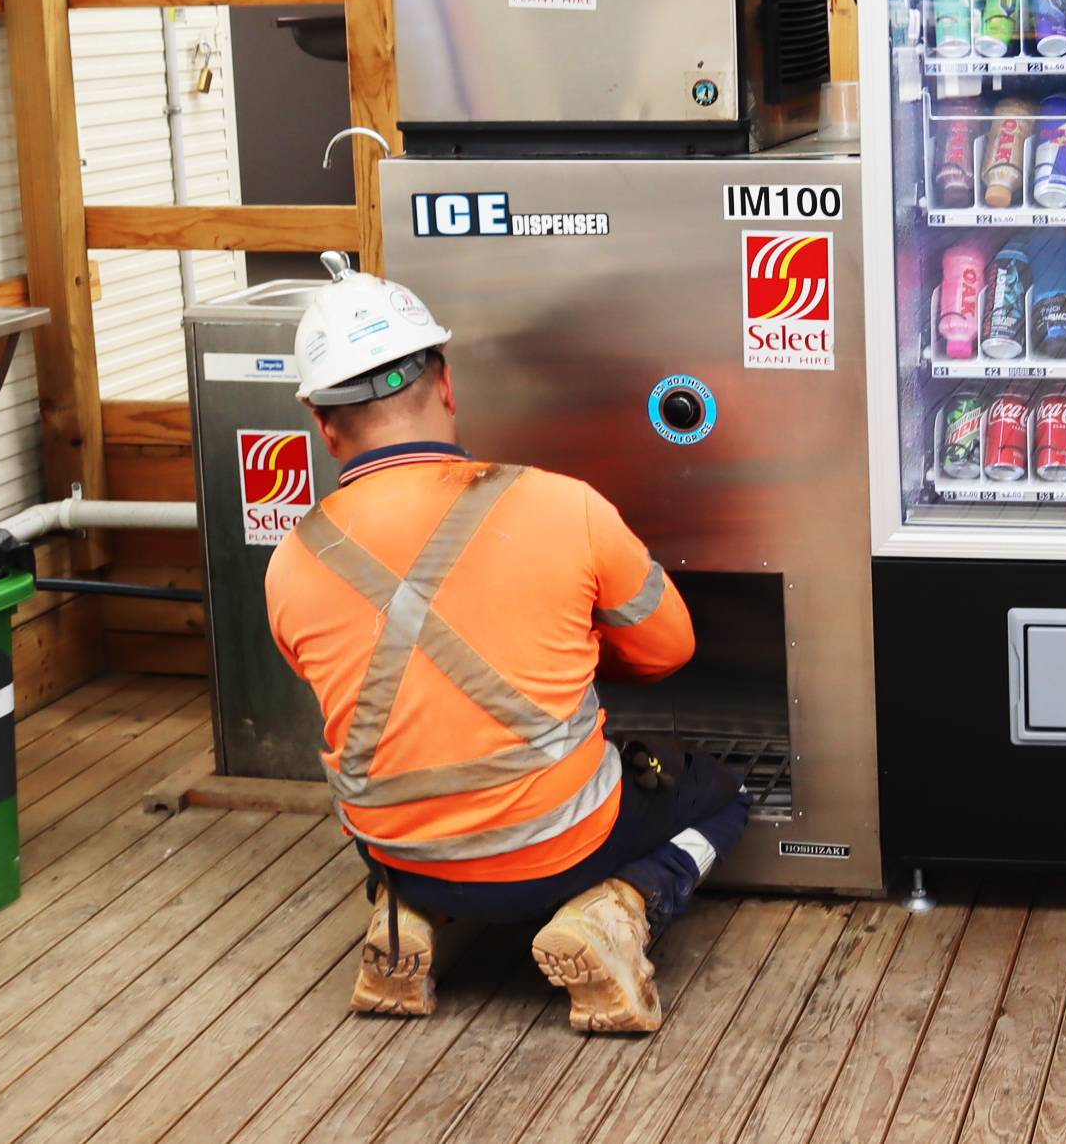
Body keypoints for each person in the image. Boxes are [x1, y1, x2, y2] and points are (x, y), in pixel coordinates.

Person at [263, 252, 745, 1032]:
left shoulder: (293, 559)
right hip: (563, 846)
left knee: (403, 802)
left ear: (323, 423)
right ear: (446, 384)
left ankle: (405, 918)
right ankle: (617, 910)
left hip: (397, 848)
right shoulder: (565, 506)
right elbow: (670, 650)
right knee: (716, 796)